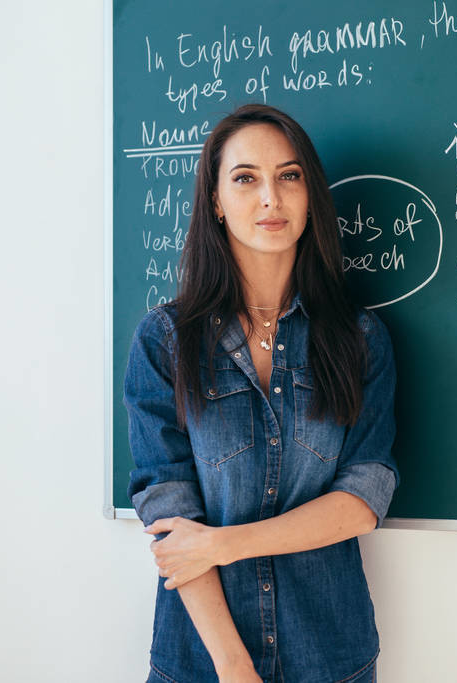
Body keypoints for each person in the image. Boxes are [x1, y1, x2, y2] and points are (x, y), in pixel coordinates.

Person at [124, 103, 399, 683]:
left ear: (309, 197)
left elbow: (363, 499)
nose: (270, 198)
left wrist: (223, 544)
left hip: (331, 657)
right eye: (245, 178)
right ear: (217, 202)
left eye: (289, 176)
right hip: (202, 661)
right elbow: (173, 522)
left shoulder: (360, 338)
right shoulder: (164, 341)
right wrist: (232, 666)